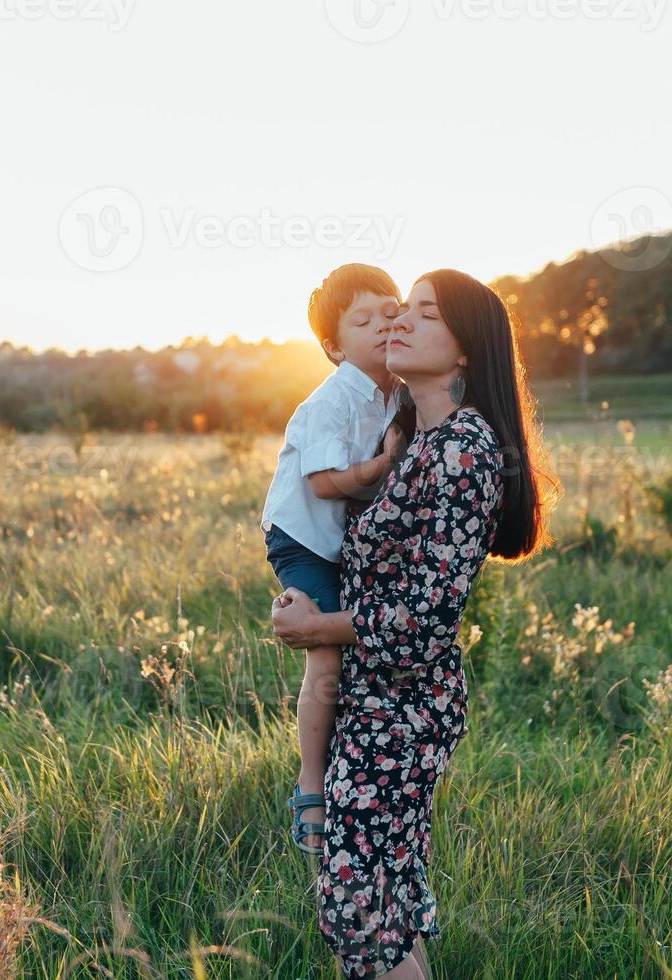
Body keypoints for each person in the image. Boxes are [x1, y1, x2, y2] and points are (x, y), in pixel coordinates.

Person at [272, 268, 558, 979]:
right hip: (369, 696)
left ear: (464, 349)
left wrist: (320, 629)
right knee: (379, 898)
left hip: (402, 704)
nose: (399, 322)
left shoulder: (464, 447)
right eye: (401, 311)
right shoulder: (416, 437)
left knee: (355, 899)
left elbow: (425, 618)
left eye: (422, 314)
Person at [260, 263, 411, 854]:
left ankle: (358, 759)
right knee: (325, 652)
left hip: (343, 537)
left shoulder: (396, 392)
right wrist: (386, 464)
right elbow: (324, 484)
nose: (383, 325)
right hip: (302, 536)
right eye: (363, 319)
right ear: (332, 346)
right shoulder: (333, 399)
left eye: (391, 310)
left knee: (360, 648)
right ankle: (311, 785)